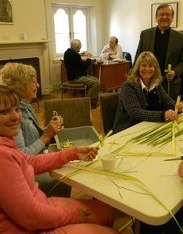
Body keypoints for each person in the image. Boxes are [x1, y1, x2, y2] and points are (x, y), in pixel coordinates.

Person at [0, 85, 118, 233]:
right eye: (4, 112)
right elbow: (32, 217)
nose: (15, 117)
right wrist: (75, 216)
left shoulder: (6, 142)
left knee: (106, 212)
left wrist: (73, 153)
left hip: (41, 204)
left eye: (17, 109)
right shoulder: (2, 157)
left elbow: (29, 161)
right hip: (31, 228)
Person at [0, 62, 70, 197]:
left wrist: (49, 128)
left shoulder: (25, 106)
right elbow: (22, 155)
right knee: (65, 174)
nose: (38, 85)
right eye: (34, 81)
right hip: (25, 170)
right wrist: (47, 135)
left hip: (36, 160)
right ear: (20, 87)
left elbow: (31, 135)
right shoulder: (13, 117)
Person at [113, 51, 183, 134]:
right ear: (137, 67)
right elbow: (135, 113)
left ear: (155, 68)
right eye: (143, 65)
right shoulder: (129, 86)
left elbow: (168, 102)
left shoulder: (156, 84)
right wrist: (163, 115)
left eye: (150, 66)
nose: (147, 69)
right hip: (128, 131)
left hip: (150, 127)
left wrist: (177, 107)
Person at [134, 4, 183, 101]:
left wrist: (175, 71)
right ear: (156, 17)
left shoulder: (181, 38)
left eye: (168, 15)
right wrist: (135, 77)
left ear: (172, 18)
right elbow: (138, 57)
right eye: (161, 14)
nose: (164, 17)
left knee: (169, 111)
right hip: (147, 80)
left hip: (169, 83)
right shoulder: (145, 34)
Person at [64, 39, 100, 108]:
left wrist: (81, 54)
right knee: (96, 83)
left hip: (73, 76)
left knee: (95, 79)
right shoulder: (74, 55)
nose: (80, 47)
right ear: (77, 46)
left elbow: (76, 61)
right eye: (80, 46)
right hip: (76, 78)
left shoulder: (68, 52)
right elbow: (84, 67)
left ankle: (91, 100)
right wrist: (89, 58)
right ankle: (89, 103)